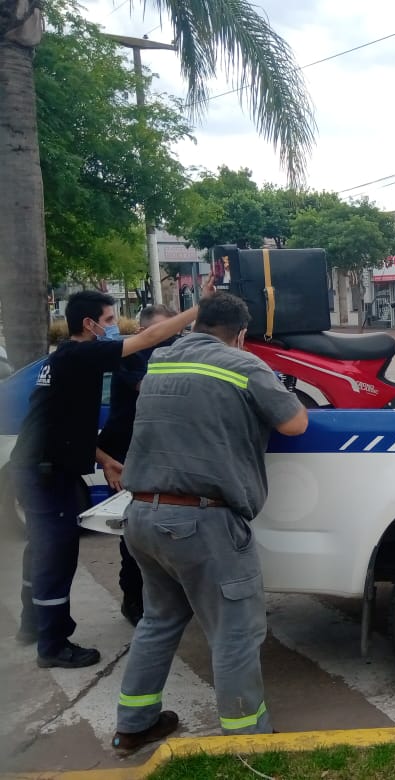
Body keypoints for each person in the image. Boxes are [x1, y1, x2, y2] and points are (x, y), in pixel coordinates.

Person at [112, 292, 308, 754]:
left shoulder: (160, 360)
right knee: (236, 632)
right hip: (203, 521)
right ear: (240, 334)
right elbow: (295, 424)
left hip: (141, 514)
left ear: (197, 323)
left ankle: (133, 725)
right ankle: (247, 742)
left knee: (159, 620)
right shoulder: (242, 364)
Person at [12, 289, 207, 669]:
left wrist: (103, 459)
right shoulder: (81, 353)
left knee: (40, 548)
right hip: (45, 472)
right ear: (89, 325)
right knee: (56, 553)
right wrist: (202, 307)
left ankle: (32, 624)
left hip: (41, 466)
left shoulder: (66, 361)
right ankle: (52, 645)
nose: (115, 327)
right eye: (109, 320)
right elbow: (149, 337)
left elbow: (62, 425)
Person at [96, 304, 179, 627]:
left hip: (161, 451)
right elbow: (150, 388)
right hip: (123, 455)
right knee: (131, 531)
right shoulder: (129, 355)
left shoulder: (175, 353)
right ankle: (134, 599)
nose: (168, 341)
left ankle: (166, 596)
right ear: (146, 332)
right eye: (162, 334)